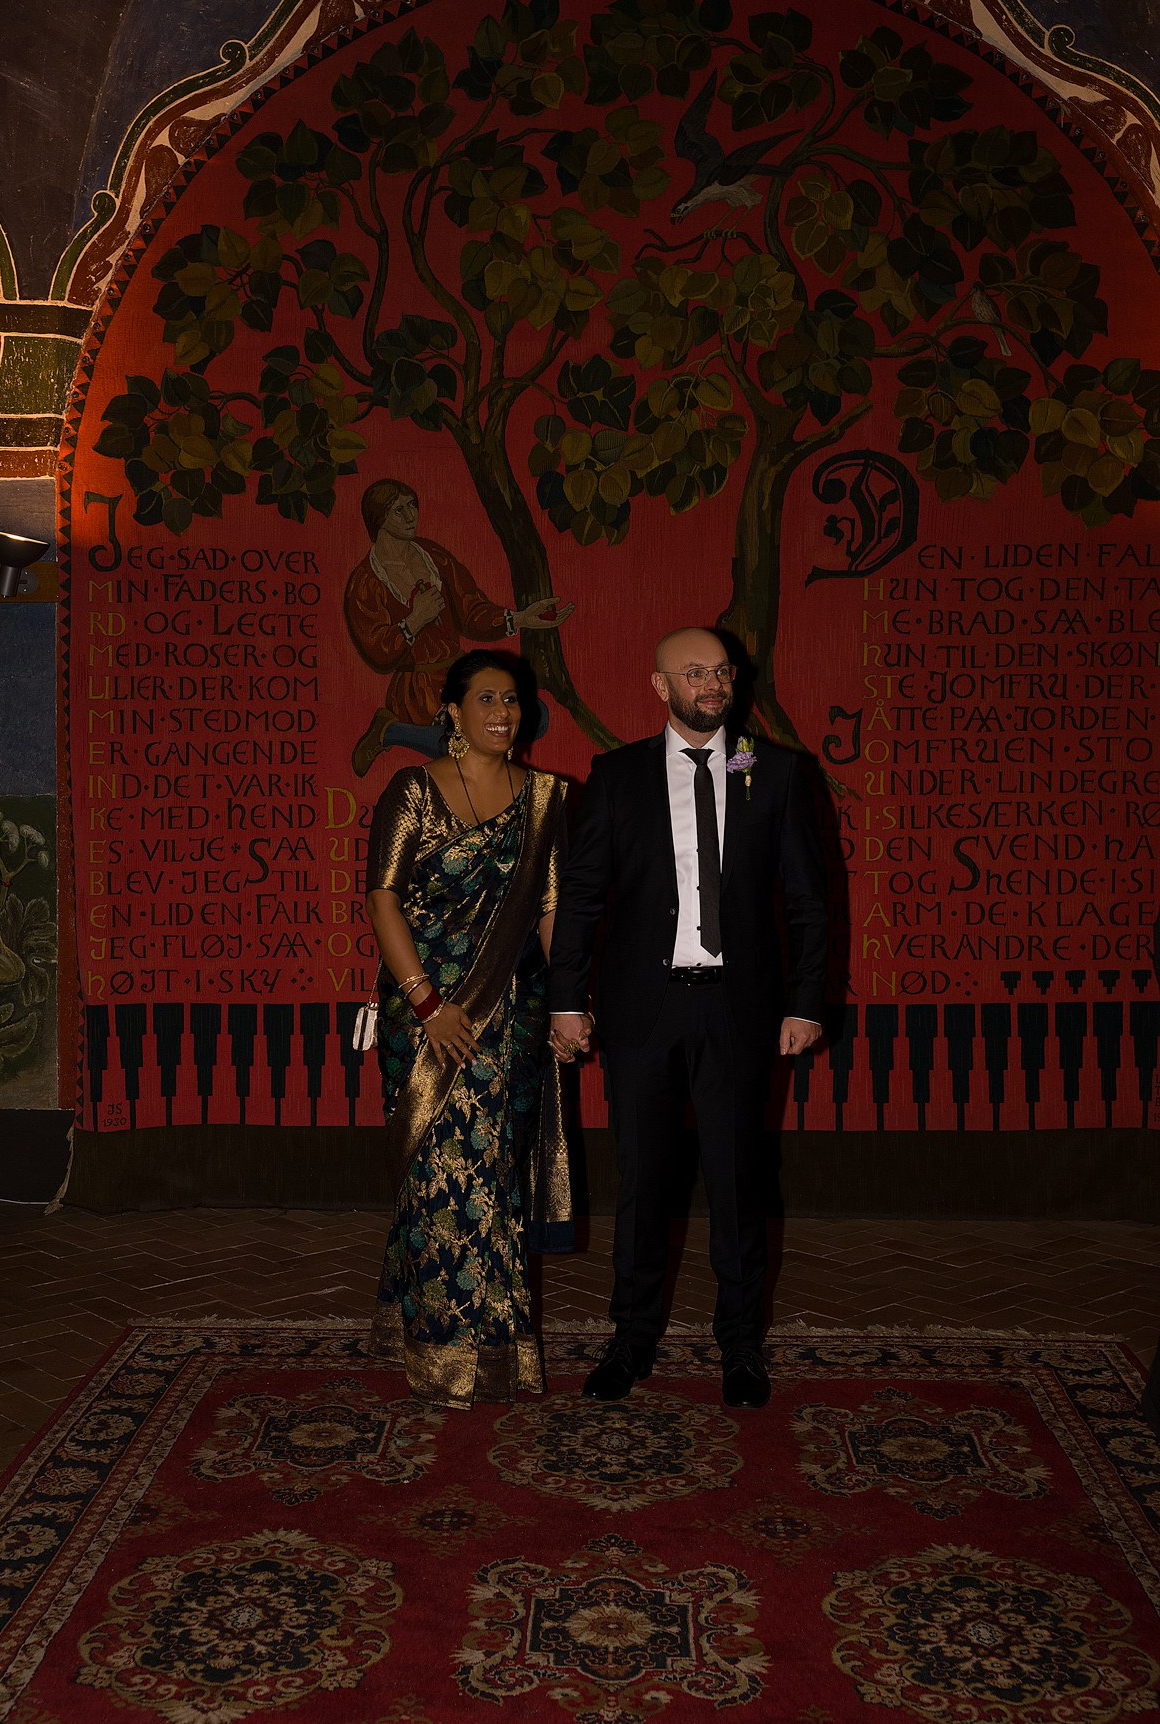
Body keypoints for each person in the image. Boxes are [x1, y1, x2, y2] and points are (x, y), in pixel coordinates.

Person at [548, 627, 828, 1409]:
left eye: (722, 671)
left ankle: (739, 1347)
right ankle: (630, 1340)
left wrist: (804, 1001)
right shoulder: (616, 777)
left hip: (738, 1009)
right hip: (643, 1007)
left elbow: (806, 900)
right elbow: (580, 899)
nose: (713, 682)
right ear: (658, 684)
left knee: (738, 1183)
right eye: (694, 671)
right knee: (643, 1181)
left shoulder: (770, 771)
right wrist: (567, 1001)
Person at [366, 648, 571, 1408]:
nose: (502, 713)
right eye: (485, 698)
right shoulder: (412, 790)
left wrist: (568, 1002)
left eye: (512, 699)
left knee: (491, 1183)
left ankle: (490, 1349)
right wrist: (426, 1001)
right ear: (450, 709)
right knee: (433, 1179)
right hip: (423, 1017)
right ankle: (439, 1351)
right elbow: (382, 898)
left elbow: (551, 910)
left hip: (509, 1017)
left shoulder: (546, 797)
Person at [344, 478, 573, 774]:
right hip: (418, 690)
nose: (411, 515)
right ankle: (391, 730)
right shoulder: (365, 581)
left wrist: (519, 618)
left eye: (412, 505)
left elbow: (470, 611)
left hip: (460, 676)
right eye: (398, 510)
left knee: (535, 717)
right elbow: (376, 651)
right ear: (379, 518)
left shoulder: (433, 557)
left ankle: (398, 732)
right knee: (460, 743)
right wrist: (415, 620)